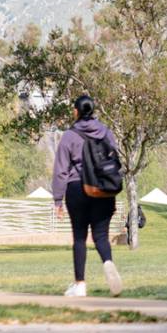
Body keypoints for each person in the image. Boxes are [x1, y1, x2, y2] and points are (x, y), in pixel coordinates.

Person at [51, 94, 123, 297]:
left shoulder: (69, 136)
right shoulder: (106, 133)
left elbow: (61, 170)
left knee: (80, 237)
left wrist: (58, 199)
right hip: (103, 190)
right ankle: (108, 262)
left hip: (77, 189)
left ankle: (80, 284)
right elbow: (114, 160)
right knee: (101, 236)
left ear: (76, 111)